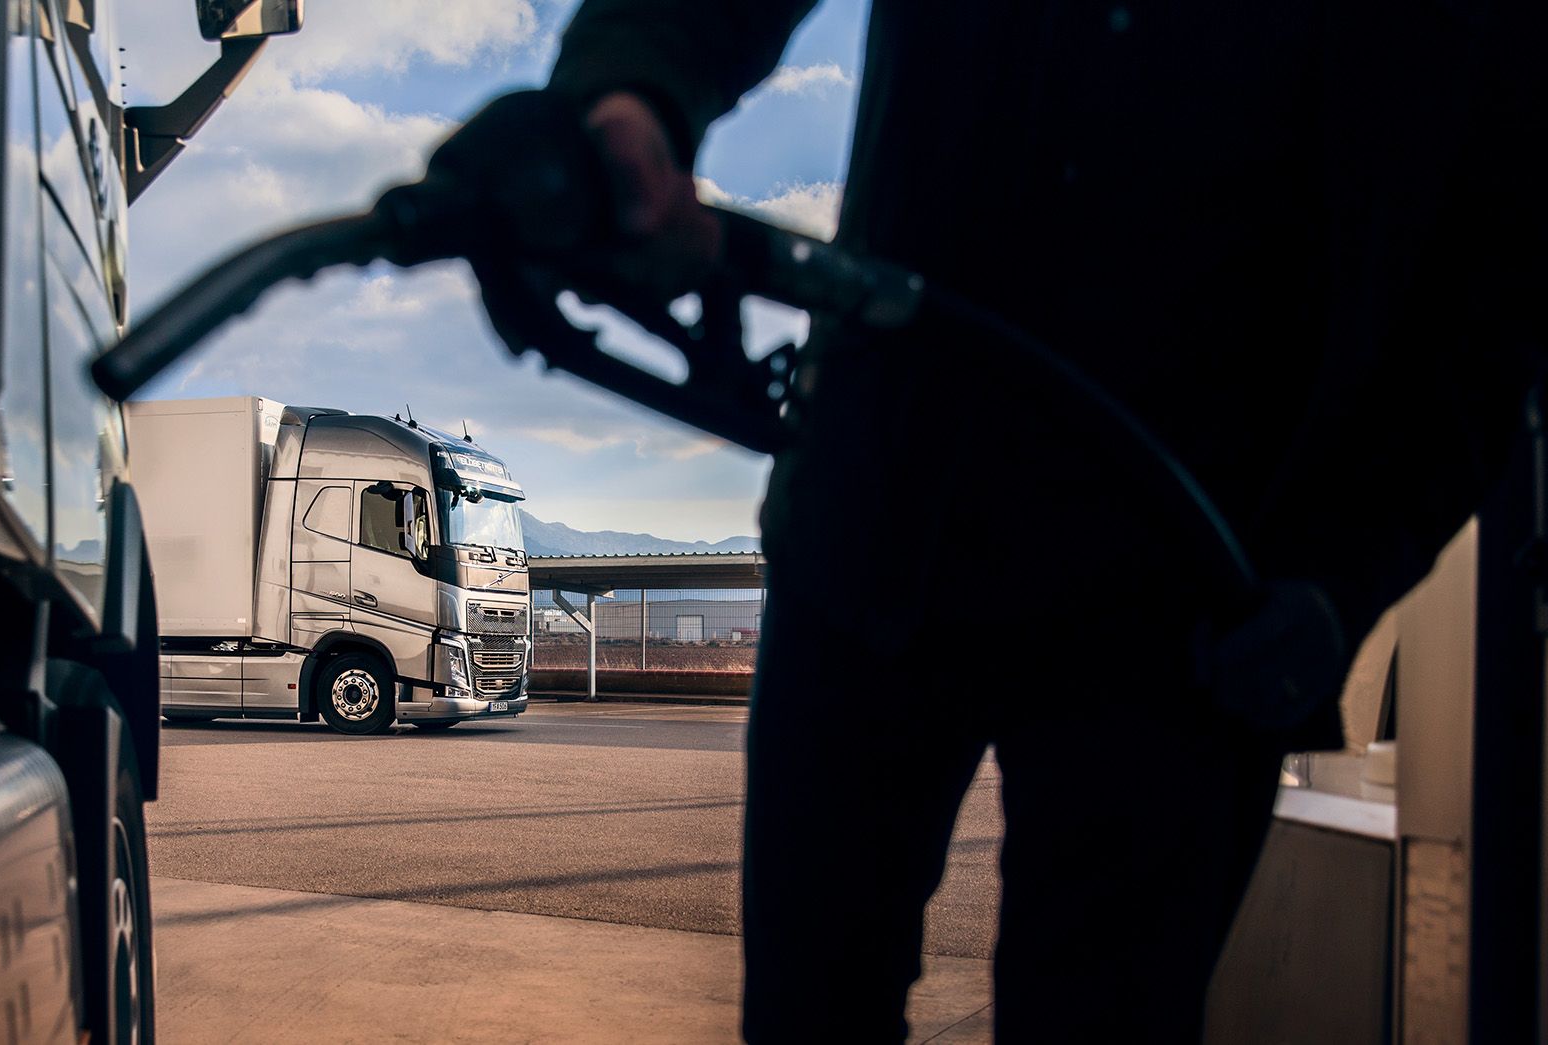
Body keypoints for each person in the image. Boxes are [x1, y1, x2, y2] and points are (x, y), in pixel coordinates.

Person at [518, 1, 1547, 1039]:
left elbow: (1490, 288)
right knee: (805, 1007)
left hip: (1192, 611)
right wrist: (625, 92)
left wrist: (1339, 574)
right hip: (881, 536)